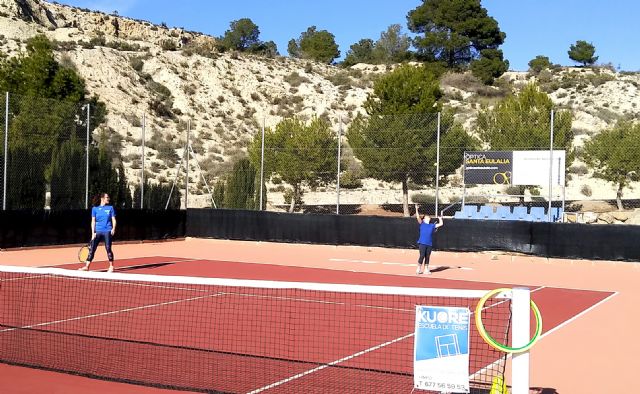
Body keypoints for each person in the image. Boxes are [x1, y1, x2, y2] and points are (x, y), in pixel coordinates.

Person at [79, 193, 117, 273]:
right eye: (107, 197)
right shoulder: (95, 209)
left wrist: (113, 228)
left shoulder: (110, 208)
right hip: (97, 232)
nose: (108, 199)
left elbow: (113, 219)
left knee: (108, 248)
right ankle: (87, 266)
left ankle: (111, 266)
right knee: (92, 249)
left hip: (107, 231)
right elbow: (93, 221)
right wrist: (93, 233)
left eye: (108, 197)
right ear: (102, 198)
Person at [415, 204, 443, 275]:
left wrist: (440, 218)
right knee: (422, 256)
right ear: (424, 219)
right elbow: (418, 217)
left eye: (429, 217)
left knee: (427, 257)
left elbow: (441, 224)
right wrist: (416, 209)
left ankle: (426, 270)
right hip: (422, 243)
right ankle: (418, 268)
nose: (428, 217)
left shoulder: (432, 225)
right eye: (427, 217)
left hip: (429, 244)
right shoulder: (422, 223)